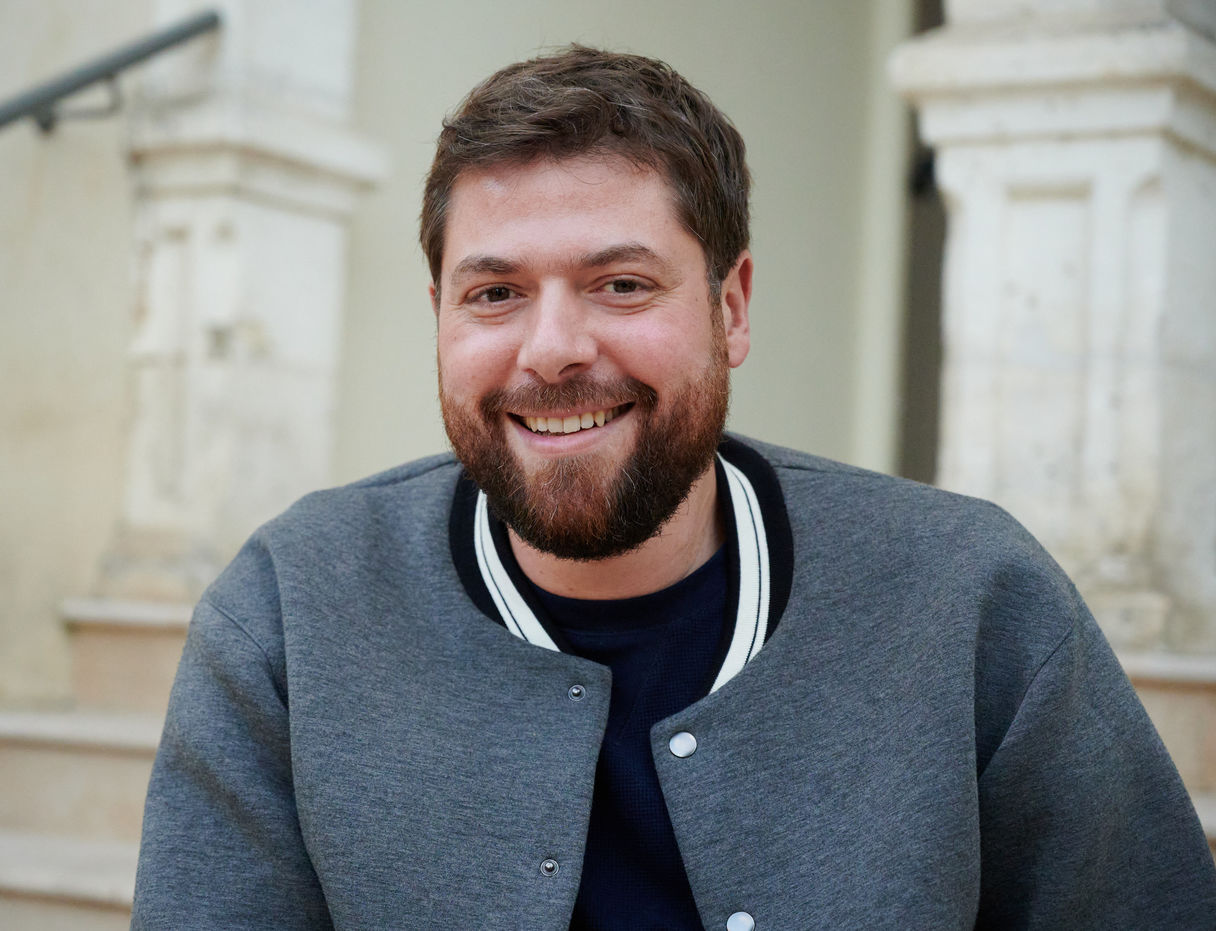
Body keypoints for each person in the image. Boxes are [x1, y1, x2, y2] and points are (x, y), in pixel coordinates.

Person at [131, 47, 1216, 930]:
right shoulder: (291, 609)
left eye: (620, 283)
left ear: (729, 308)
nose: (551, 349)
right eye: (495, 293)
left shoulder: (970, 596)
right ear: (440, 317)